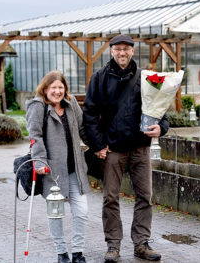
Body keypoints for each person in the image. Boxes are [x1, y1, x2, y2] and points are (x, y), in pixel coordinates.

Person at [83, 34, 169, 262]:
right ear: (111, 51)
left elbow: (162, 111)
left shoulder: (148, 78)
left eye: (126, 49)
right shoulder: (100, 78)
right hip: (114, 150)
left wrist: (161, 128)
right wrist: (98, 145)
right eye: (118, 49)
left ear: (133, 51)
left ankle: (141, 243)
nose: (122, 53)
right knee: (110, 197)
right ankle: (113, 245)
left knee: (145, 197)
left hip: (140, 148)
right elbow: (89, 115)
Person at [26, 70, 90, 263]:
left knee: (82, 211)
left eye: (61, 87)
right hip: (52, 170)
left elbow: (83, 130)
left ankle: (77, 252)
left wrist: (99, 145)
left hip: (75, 169)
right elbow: (34, 136)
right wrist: (39, 161)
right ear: (45, 89)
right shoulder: (38, 106)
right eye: (53, 87)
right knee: (56, 213)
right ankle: (62, 253)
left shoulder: (71, 105)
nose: (57, 91)